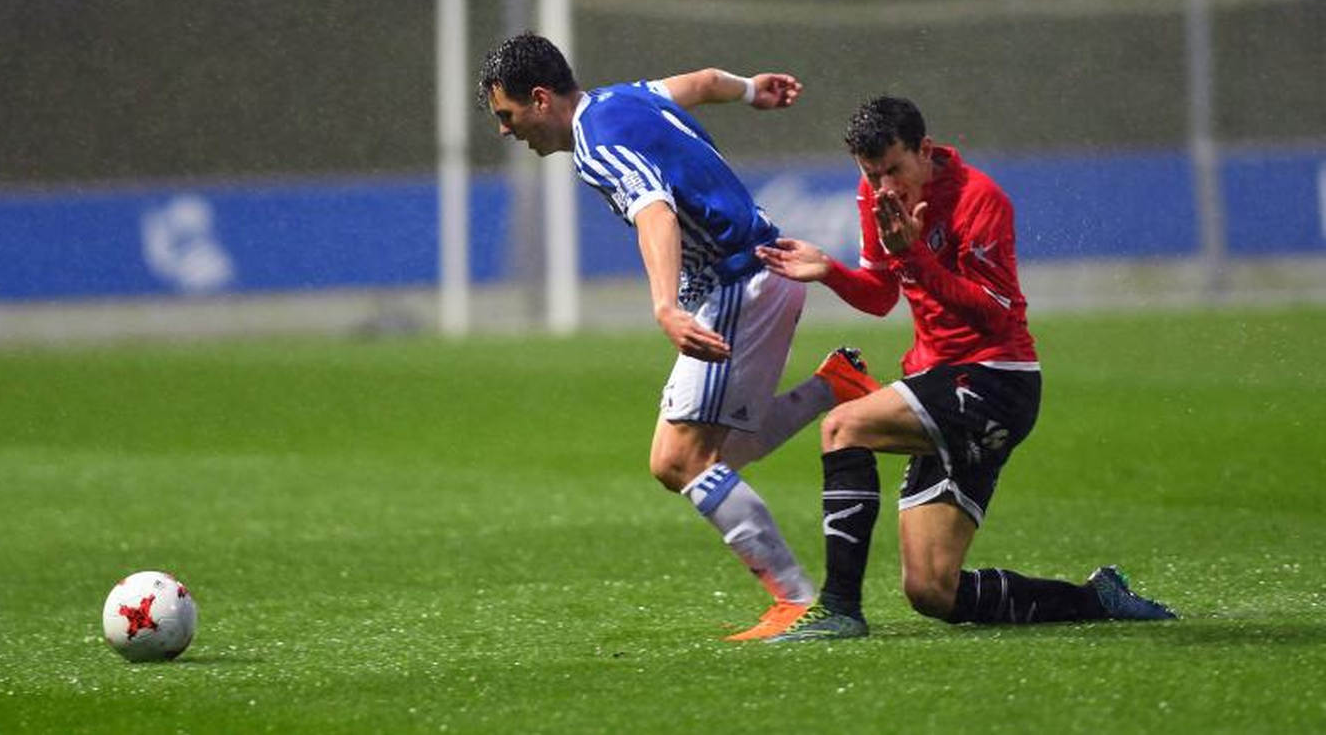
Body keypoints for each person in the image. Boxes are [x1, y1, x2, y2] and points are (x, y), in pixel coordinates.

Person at [476, 33, 878, 641]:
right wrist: (749, 90)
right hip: (758, 276)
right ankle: (833, 385)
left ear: (538, 99)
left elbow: (655, 211)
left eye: (507, 116)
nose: (507, 131)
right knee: (719, 458)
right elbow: (703, 81)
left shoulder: (595, 144)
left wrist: (664, 305)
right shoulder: (625, 98)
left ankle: (794, 600)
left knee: (678, 461)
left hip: (737, 285)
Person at [755, 95, 1177, 640]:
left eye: (894, 170)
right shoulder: (875, 196)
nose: (884, 187)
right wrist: (829, 271)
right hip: (940, 381)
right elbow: (882, 295)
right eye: (871, 174)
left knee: (844, 425)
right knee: (933, 590)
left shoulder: (981, 199)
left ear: (924, 150)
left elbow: (994, 315)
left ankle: (839, 608)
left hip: (995, 379)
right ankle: (1097, 597)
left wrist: (916, 258)